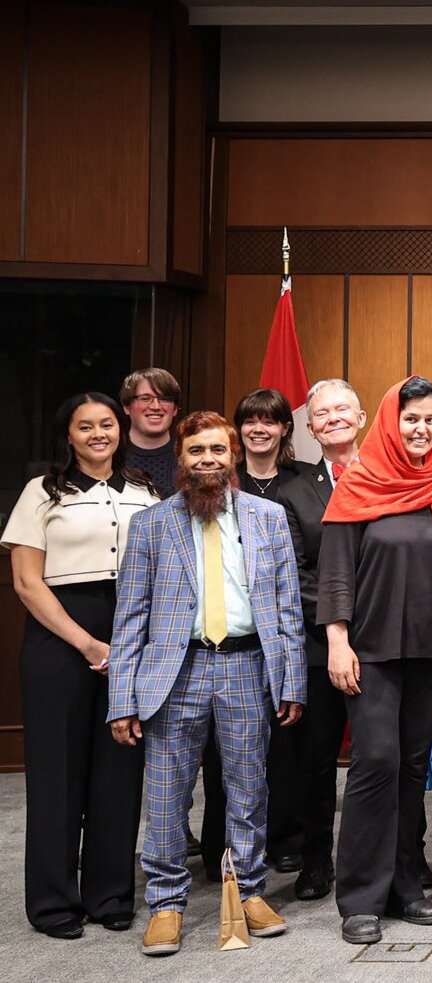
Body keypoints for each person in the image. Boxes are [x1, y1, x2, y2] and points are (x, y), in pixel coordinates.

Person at [107, 411, 306, 955]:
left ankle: (248, 892)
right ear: (181, 459)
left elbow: (288, 609)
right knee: (168, 795)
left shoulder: (268, 518)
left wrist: (291, 683)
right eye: (197, 451)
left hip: (247, 667)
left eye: (218, 450)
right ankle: (166, 904)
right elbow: (129, 619)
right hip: (175, 674)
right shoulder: (151, 525)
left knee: (248, 789)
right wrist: (122, 697)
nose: (208, 460)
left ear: (234, 455)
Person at [319, 377, 432, 945]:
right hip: (371, 649)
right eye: (411, 417)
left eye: (430, 419)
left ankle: (407, 884)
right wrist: (338, 641)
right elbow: (336, 571)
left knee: (412, 766)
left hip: (429, 646)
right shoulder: (360, 482)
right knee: (375, 762)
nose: (421, 428)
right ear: (390, 419)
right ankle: (360, 895)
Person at [4, 393, 159, 939]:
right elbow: (26, 582)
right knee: (58, 775)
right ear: (67, 435)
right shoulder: (42, 492)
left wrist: (134, 645)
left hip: (133, 631)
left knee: (120, 769)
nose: (98, 433)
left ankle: (111, 894)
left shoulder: (146, 490)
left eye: (107, 424)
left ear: (121, 430)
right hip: (60, 637)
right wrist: (89, 645)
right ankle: (52, 904)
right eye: (85, 426)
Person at [273, 378, 366, 902]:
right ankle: (314, 859)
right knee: (315, 759)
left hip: (380, 642)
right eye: (322, 413)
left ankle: (401, 854)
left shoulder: (385, 478)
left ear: (361, 417)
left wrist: (364, 625)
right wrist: (339, 629)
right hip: (315, 645)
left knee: (384, 756)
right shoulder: (293, 490)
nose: (332, 418)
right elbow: (298, 574)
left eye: (342, 410)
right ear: (309, 428)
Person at [231, 387, 316, 876]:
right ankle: (230, 841)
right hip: (237, 633)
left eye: (270, 421)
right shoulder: (224, 482)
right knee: (233, 744)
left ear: (286, 428)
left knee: (288, 742)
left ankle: (287, 835)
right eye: (250, 420)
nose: (259, 428)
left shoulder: (302, 481)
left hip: (293, 629)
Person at [120, 367, 181, 497]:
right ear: (126, 406)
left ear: (175, 409)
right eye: (145, 398)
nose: (155, 406)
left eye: (164, 398)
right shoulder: (111, 455)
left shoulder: (188, 456)